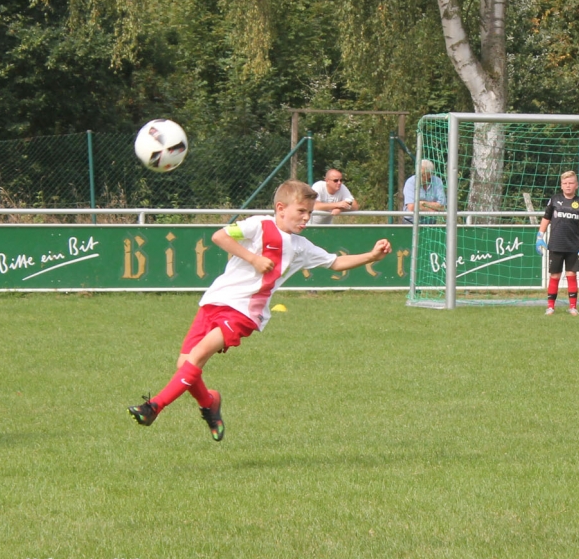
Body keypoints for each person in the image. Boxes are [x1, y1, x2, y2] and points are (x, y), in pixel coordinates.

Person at [127, 180, 391, 442]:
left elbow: (335, 262)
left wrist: (371, 256)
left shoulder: (301, 246)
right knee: (184, 364)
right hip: (215, 301)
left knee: (196, 357)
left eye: (310, 212)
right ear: (281, 208)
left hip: (244, 312)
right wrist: (253, 258)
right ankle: (209, 403)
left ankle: (153, 407)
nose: (306, 217)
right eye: (301, 211)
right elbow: (220, 236)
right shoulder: (258, 225)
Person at [535, 170, 579, 316]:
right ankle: (550, 307)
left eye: (571, 183)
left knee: (571, 275)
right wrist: (539, 236)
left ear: (576, 185)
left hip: (573, 246)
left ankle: (573, 307)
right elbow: (546, 218)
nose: (568, 185)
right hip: (556, 244)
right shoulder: (554, 200)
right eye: (565, 183)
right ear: (561, 185)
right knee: (555, 276)